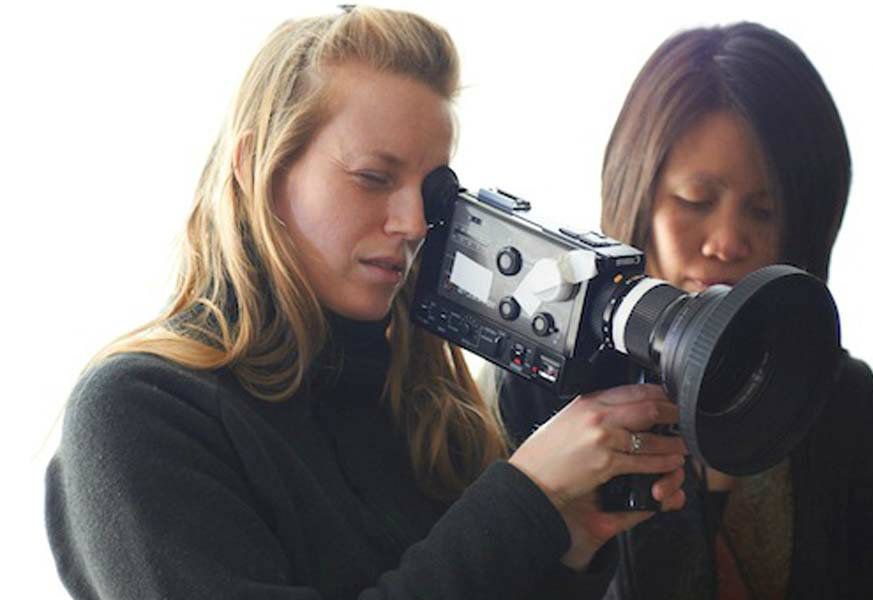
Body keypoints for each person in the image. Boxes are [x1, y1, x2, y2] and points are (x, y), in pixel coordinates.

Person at [44, 7, 688, 599]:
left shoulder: (435, 414)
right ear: (256, 170)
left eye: (433, 193)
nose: (412, 223)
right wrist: (526, 499)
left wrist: (564, 545)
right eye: (373, 179)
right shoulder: (139, 412)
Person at [496, 22, 873, 599]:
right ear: (637, 195)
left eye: (762, 212)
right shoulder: (541, 386)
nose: (726, 242)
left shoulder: (840, 399)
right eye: (696, 201)